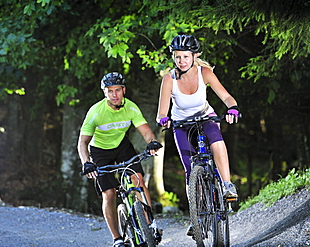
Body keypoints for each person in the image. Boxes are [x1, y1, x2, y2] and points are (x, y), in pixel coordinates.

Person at [156, 34, 239, 229]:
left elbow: (226, 97)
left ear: (194, 56)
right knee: (190, 170)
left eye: (185, 56)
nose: (181, 61)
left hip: (205, 117)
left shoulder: (205, 73)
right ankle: (197, 214)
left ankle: (227, 185)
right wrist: (163, 119)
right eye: (177, 57)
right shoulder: (169, 79)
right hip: (181, 125)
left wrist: (232, 109)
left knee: (217, 141)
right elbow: (161, 111)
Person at [78, 72, 162, 247]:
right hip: (99, 151)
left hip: (122, 147)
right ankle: (117, 239)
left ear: (123, 90)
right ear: (104, 92)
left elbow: (145, 130)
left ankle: (150, 225)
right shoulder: (96, 112)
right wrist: (87, 162)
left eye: (117, 90)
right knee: (109, 194)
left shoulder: (131, 107)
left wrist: (152, 142)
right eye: (110, 91)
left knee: (138, 180)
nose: (114, 95)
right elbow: (82, 142)